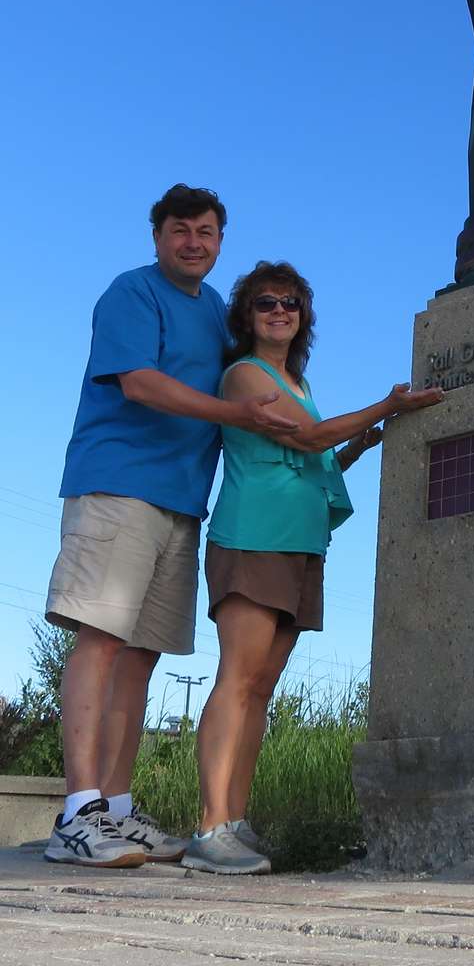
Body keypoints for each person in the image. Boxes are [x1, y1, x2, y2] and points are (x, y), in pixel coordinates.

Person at [44, 185, 299, 869]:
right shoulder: (132, 292)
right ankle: (78, 813)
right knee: (100, 642)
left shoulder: (217, 312)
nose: (194, 242)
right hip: (119, 485)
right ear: (158, 237)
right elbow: (140, 384)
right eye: (180, 229)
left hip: (184, 505)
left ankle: (117, 812)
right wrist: (241, 417)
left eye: (207, 231)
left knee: (141, 657)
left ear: (221, 243)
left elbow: (256, 383)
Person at [182, 260, 443, 874]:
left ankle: (234, 823)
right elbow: (307, 441)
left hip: (301, 544)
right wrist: (388, 406)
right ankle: (209, 826)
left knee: (260, 690)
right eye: (266, 302)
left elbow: (314, 459)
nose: (279, 311)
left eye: (290, 303)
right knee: (237, 680)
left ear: (303, 319)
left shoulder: (297, 384)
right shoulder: (245, 375)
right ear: (246, 316)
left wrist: (359, 442)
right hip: (253, 536)